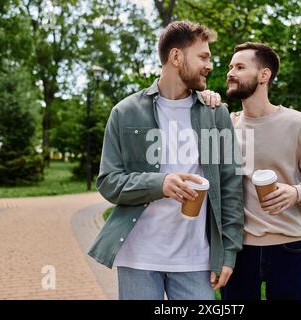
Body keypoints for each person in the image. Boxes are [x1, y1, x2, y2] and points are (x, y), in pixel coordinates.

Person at [87, 21, 244, 300]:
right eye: (203, 57)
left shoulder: (215, 114)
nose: (210, 65)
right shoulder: (125, 112)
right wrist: (160, 183)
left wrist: (228, 252)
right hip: (138, 257)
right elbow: (108, 182)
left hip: (196, 260)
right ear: (176, 57)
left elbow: (230, 186)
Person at [204, 42, 301, 300]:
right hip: (237, 250)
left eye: (240, 67)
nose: (230, 72)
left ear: (264, 75)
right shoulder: (226, 126)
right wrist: (201, 100)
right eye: (230, 66)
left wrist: (297, 192)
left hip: (288, 249)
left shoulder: (299, 124)